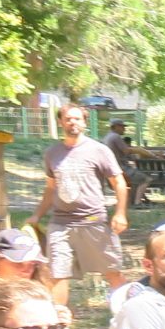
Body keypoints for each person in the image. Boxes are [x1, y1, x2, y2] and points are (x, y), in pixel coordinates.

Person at [34, 102, 130, 303]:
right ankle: (59, 317)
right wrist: (37, 216)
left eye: (77, 118)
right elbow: (51, 188)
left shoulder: (99, 150)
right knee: (58, 273)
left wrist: (120, 213)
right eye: (68, 119)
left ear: (85, 122)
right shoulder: (52, 153)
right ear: (61, 122)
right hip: (60, 223)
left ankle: (128, 309)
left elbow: (119, 182)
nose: (72, 122)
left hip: (92, 221)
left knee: (112, 271)